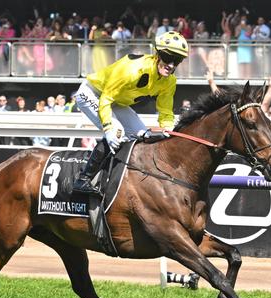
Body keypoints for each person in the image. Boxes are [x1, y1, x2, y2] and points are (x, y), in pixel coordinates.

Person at [72, 31, 188, 194]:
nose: (171, 65)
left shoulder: (170, 82)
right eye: (169, 58)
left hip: (117, 101)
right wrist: (108, 128)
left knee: (143, 135)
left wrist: (169, 132)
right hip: (94, 93)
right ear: (158, 54)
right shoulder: (133, 70)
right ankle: (83, 179)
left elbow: (165, 112)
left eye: (177, 61)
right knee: (117, 131)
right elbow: (106, 98)